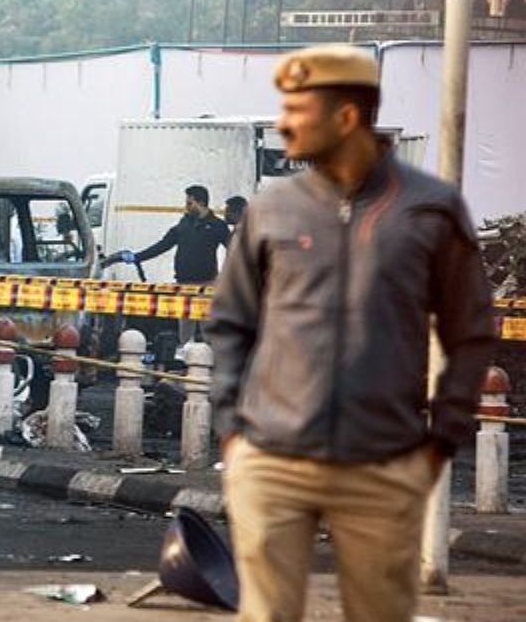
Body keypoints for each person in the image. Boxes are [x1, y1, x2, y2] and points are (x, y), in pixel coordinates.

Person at [206, 45, 495, 621]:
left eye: (297, 109)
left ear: (345, 117)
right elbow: (231, 322)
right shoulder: (272, 209)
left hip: (383, 464)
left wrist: (441, 440)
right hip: (270, 459)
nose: (283, 122)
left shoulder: (430, 209)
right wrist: (232, 431)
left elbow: (471, 330)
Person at [104, 184, 230, 342]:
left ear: (201, 203)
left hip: (207, 284)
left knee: (208, 325)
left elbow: (234, 249)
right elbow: (163, 245)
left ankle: (209, 354)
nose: (186, 207)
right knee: (185, 325)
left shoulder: (217, 226)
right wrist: (137, 257)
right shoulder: (184, 224)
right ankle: (185, 352)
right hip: (184, 283)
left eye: (189, 203)